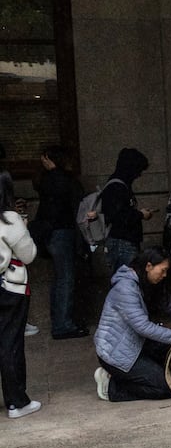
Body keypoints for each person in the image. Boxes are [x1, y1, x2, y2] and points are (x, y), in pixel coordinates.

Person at [92, 245, 171, 403]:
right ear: (148, 266)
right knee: (165, 388)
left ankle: (130, 376)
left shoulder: (147, 282)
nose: (165, 275)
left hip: (137, 344)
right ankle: (110, 387)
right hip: (115, 354)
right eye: (163, 270)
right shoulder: (125, 288)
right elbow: (143, 327)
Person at [36, 145, 88, 339]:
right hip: (62, 232)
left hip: (51, 234)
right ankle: (63, 324)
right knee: (66, 278)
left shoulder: (45, 179)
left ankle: (60, 321)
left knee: (59, 279)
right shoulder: (62, 179)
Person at [0, 172, 40, 418]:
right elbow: (28, 255)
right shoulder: (10, 219)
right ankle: (16, 402)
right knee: (10, 343)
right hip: (8, 288)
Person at [100, 147, 153, 272]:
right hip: (122, 241)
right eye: (138, 170)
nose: (139, 175)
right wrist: (140, 215)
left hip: (122, 241)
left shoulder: (117, 185)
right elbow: (119, 216)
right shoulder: (117, 186)